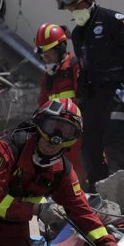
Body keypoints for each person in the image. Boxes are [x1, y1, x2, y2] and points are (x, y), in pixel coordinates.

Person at [0, 98, 118, 246]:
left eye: (66, 132)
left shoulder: (62, 172)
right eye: (51, 126)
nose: (55, 138)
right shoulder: (6, 149)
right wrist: (36, 210)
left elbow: (82, 212)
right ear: (38, 124)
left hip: (13, 227)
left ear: (72, 139)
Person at [56, 0, 124, 190]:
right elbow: (85, 67)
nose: (74, 10)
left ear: (89, 0)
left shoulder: (113, 21)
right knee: (89, 150)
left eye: (77, 4)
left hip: (120, 94)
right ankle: (99, 194)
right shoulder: (79, 34)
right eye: (70, 7)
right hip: (93, 99)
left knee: (114, 144)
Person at [34, 22, 86, 182]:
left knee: (86, 172)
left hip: (78, 134)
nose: (46, 60)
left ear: (60, 50)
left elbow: (86, 99)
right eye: (44, 57)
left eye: (48, 56)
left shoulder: (75, 67)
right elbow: (42, 104)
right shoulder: (49, 78)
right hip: (55, 135)